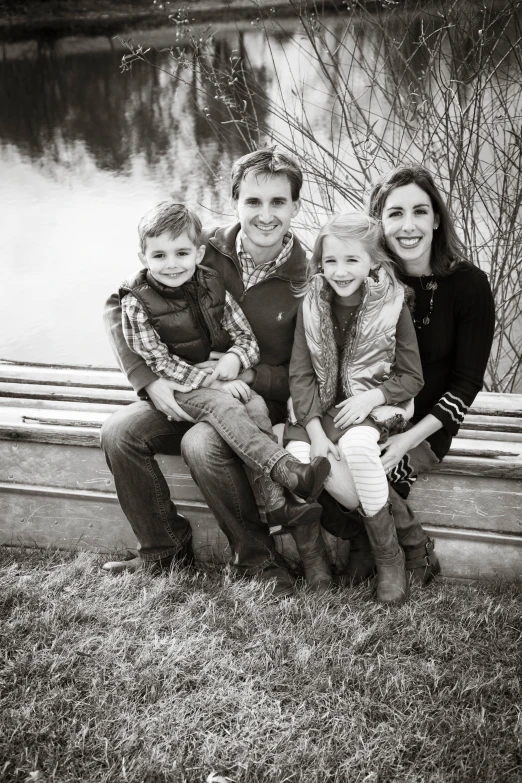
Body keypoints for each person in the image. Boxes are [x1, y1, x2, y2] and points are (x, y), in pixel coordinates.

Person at [100, 148, 331, 597]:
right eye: (253, 202)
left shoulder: (310, 279)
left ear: (296, 206)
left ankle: (258, 561)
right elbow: (119, 304)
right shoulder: (200, 246)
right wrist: (148, 379)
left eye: (278, 202)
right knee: (119, 432)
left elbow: (311, 374)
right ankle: (164, 551)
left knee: (201, 444)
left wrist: (247, 378)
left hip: (251, 403)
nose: (265, 216)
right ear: (235, 200)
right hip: (182, 388)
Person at [320, 165, 495, 588]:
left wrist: (406, 441)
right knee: (320, 460)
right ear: (380, 222)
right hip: (367, 412)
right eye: (395, 213)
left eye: (420, 211)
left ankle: (400, 549)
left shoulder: (469, 284)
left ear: (436, 218)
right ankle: (379, 543)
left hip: (427, 423)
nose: (408, 225)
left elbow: (467, 383)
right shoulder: (367, 279)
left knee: (378, 468)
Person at [119, 200, 330, 534]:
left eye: (181, 254)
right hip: (179, 385)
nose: (172, 264)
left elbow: (245, 337)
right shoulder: (137, 298)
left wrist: (235, 360)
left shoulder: (215, 282)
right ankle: (286, 469)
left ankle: (275, 502)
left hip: (230, 380)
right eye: (159, 256)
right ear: (143, 258)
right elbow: (157, 359)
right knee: (220, 405)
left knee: (254, 401)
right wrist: (209, 383)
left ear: (198, 254)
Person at [283, 212, 424, 605]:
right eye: (330, 261)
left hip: (371, 408)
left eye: (351, 260)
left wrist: (371, 398)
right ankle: (314, 562)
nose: (340, 271)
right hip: (316, 412)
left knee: (359, 449)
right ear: (319, 263)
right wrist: (313, 433)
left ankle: (389, 557)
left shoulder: (392, 305)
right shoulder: (310, 305)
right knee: (294, 462)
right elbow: (300, 375)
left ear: (373, 263)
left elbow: (412, 377)